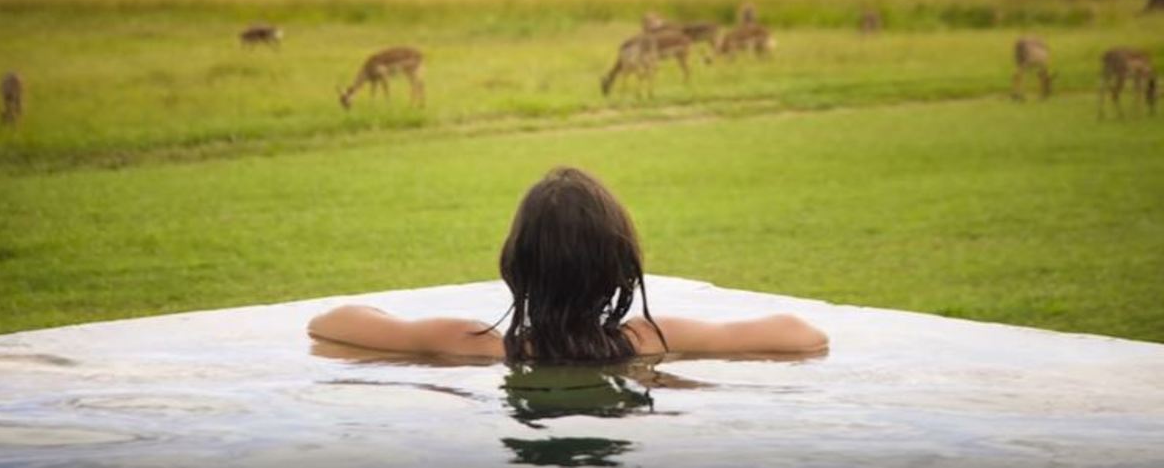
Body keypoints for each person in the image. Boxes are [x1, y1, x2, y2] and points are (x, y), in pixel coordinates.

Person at [308, 167, 828, 361]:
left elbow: (328, 322)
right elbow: (804, 335)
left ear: (516, 266)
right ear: (621, 268)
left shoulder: (472, 343)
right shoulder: (651, 338)